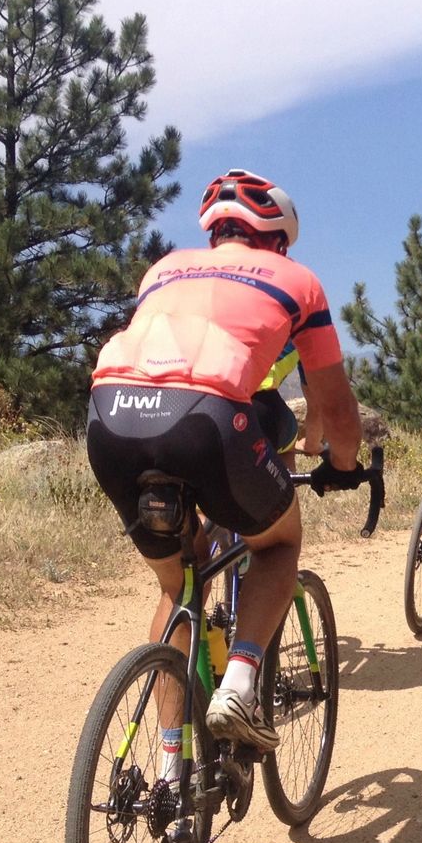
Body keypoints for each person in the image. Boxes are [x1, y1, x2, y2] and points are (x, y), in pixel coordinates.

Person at [87, 169, 363, 766]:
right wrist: (343, 462)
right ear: (280, 237)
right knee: (278, 543)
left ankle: (169, 763)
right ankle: (238, 685)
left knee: (180, 581)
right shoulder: (298, 281)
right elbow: (336, 408)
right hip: (207, 420)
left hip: (110, 419)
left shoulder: (162, 270)